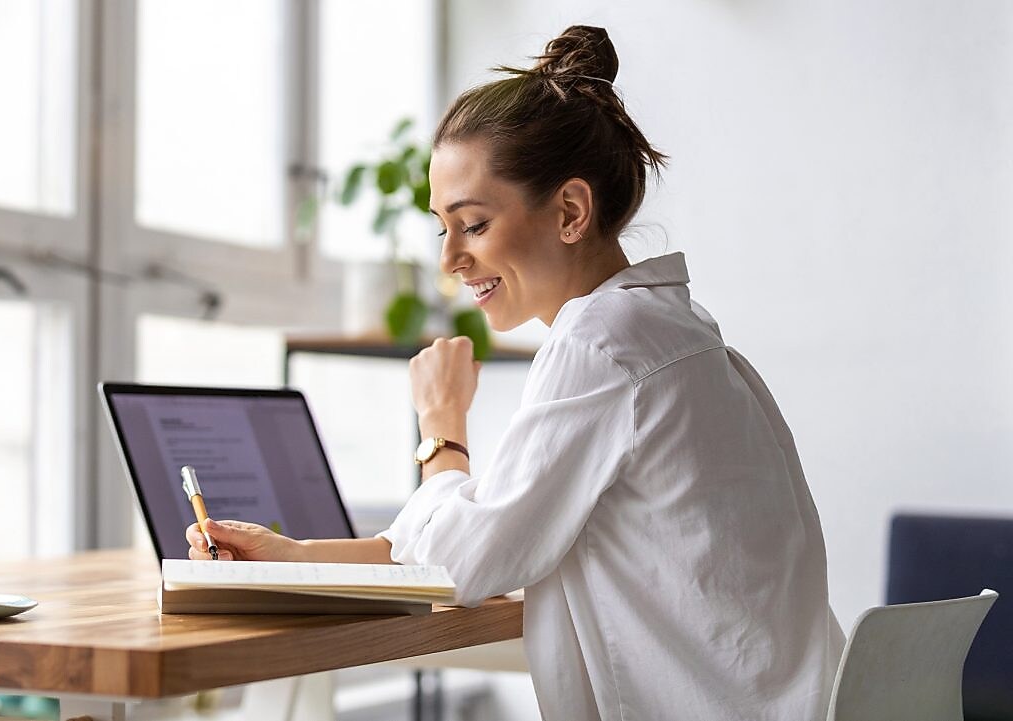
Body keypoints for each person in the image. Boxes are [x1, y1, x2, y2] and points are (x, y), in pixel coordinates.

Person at [187, 25, 844, 721]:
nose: (450, 259)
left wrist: (441, 429)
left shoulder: (601, 346)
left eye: (472, 224)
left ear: (569, 211)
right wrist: (292, 555)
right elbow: (485, 531)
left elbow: (461, 564)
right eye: (442, 227)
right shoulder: (677, 333)